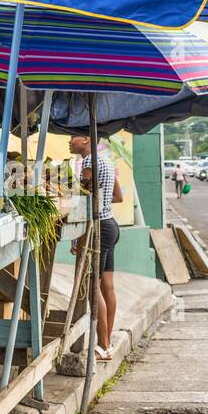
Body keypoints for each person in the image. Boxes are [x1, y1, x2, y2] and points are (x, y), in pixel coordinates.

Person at [68, 135, 123, 361]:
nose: (69, 141)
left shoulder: (90, 162)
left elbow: (83, 198)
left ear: (86, 139)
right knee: (107, 286)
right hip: (111, 225)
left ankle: (102, 345)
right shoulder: (107, 161)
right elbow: (118, 196)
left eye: (73, 138)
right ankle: (107, 343)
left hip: (98, 229)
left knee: (93, 286)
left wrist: (75, 237)